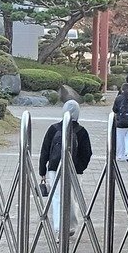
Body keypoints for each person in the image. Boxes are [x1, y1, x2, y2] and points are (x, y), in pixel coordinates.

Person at [39, 100, 93, 236]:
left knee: (57, 197)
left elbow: (45, 150)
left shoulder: (53, 129)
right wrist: (79, 167)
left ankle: (58, 228)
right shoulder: (82, 132)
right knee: (72, 198)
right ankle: (70, 227)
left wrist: (42, 170)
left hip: (54, 168)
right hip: (74, 170)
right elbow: (87, 153)